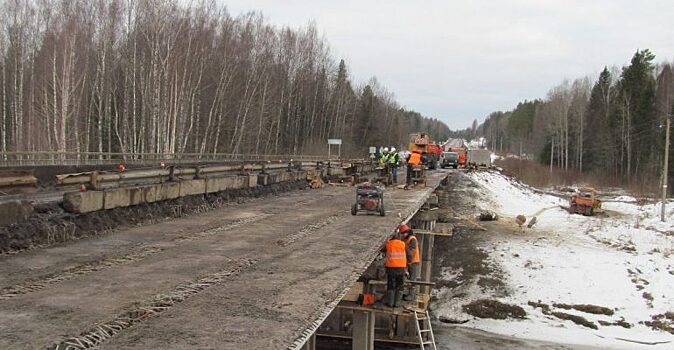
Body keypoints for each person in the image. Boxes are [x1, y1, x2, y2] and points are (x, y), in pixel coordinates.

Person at [384, 231, 408, 308]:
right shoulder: (403, 244)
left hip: (390, 268)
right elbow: (409, 255)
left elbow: (382, 251)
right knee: (400, 285)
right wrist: (409, 263)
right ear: (399, 237)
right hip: (401, 268)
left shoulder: (388, 244)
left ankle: (390, 303)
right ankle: (397, 303)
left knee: (391, 285)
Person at [400, 225, 421, 301]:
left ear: (407, 232)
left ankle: (411, 295)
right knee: (409, 277)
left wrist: (409, 262)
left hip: (413, 262)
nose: (402, 235)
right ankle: (409, 293)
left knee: (413, 279)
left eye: (403, 233)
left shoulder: (412, 239)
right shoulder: (407, 239)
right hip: (409, 261)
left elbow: (412, 252)